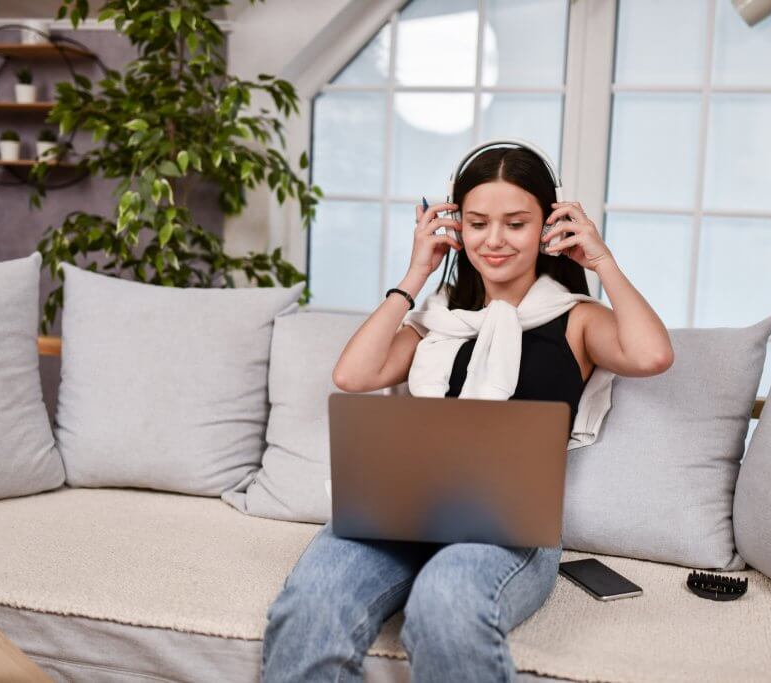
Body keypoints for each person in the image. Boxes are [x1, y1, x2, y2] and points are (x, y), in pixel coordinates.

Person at [260, 145, 674, 682]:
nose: (495, 240)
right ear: (458, 226)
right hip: (400, 511)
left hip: (507, 527)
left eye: (516, 223)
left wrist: (603, 262)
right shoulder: (438, 319)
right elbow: (353, 376)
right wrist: (415, 275)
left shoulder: (578, 320)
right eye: (478, 223)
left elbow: (652, 355)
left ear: (548, 227)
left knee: (446, 602)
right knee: (309, 605)